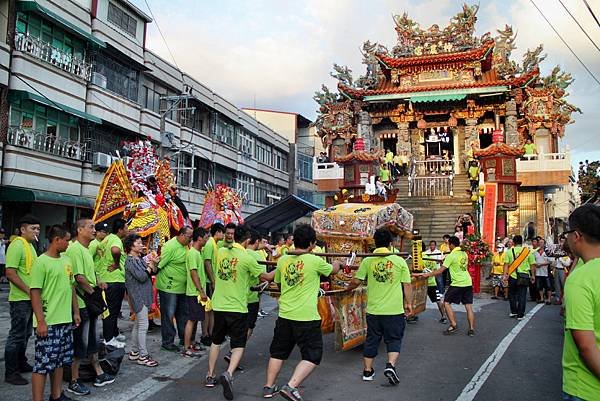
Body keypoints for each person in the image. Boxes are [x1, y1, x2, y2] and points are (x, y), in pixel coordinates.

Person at [263, 224, 342, 401]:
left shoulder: (283, 260)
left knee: (278, 352)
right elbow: (333, 271)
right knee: (313, 355)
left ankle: (268, 387)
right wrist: (337, 262)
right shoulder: (314, 261)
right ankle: (291, 386)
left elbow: (279, 283)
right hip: (306, 317)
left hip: (284, 315)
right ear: (312, 244)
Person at [205, 224, 273, 400]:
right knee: (238, 344)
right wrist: (280, 267)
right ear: (247, 239)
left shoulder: (220, 252)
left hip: (219, 304)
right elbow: (265, 277)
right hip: (237, 307)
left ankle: (210, 376)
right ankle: (228, 373)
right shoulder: (246, 257)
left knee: (216, 341)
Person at [347, 228, 413, 385]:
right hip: (394, 310)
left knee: (372, 340)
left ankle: (367, 372)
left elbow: (357, 281)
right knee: (394, 339)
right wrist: (409, 303)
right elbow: (407, 285)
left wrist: (347, 288)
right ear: (391, 244)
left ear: (374, 243)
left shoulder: (368, 260)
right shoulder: (399, 261)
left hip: (374, 310)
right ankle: (390, 365)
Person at [30, 225, 81, 401]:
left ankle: (56, 395)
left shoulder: (66, 261)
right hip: (48, 321)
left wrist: (75, 311)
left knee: (60, 361)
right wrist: (41, 321)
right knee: (43, 364)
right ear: (57, 240)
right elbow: (35, 292)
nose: (69, 243)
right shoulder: (41, 262)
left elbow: (71, 287)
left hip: (64, 320)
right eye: (67, 240)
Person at [66, 219, 115, 396]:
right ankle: (73, 380)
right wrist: (93, 294)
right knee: (81, 342)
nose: (94, 230)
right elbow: (78, 278)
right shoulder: (74, 249)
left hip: (90, 302)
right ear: (79, 230)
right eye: (91, 227)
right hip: (82, 303)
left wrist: (98, 283)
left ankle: (98, 372)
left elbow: (88, 273)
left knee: (93, 340)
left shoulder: (86, 249)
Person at [562, 204, 600, 400]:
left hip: (585, 386)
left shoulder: (580, 279)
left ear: (577, 236)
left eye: (567, 233)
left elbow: (585, 346)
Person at [4, 214, 40, 385]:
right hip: (20, 299)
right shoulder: (17, 245)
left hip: (29, 298)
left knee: (26, 334)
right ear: (22, 229)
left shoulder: (30, 246)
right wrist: (28, 291)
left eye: (38, 228)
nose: (36, 232)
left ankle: (21, 362)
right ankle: (11, 372)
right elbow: (10, 273)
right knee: (17, 335)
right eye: (33, 228)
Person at [418, 236, 475, 336]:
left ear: (452, 245)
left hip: (458, 283)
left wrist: (427, 274)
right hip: (468, 282)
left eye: (449, 244)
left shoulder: (451, 255)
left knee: (446, 303)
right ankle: (471, 329)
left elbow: (441, 270)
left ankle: (453, 325)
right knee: (468, 306)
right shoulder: (464, 253)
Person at [124, 233, 159, 367]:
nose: (141, 245)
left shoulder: (138, 259)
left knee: (138, 324)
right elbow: (142, 276)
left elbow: (151, 272)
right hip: (138, 296)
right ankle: (143, 355)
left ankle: (134, 351)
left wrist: (153, 264)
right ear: (131, 246)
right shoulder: (131, 260)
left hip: (142, 295)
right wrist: (150, 265)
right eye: (138, 243)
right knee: (143, 325)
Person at [157, 226, 193, 351]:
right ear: (182, 235)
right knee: (168, 315)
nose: (191, 239)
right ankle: (167, 342)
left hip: (182, 288)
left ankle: (185, 338)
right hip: (169, 287)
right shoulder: (170, 246)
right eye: (189, 237)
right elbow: (159, 264)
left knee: (183, 314)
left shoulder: (185, 246)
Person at [96, 219, 128, 347]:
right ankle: (108, 339)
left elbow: (99, 249)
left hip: (107, 278)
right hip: (114, 279)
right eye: (126, 228)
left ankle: (113, 334)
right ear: (120, 230)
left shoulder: (107, 238)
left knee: (112, 310)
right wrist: (116, 263)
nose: (127, 230)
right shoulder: (115, 240)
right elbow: (115, 251)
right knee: (111, 311)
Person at [183, 227, 209, 357]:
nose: (207, 240)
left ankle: (191, 343)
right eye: (205, 238)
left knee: (195, 319)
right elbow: (194, 273)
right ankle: (187, 346)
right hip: (194, 293)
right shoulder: (193, 253)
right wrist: (201, 291)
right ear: (199, 238)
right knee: (191, 320)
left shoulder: (198, 253)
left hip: (197, 293)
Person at [201, 222, 225, 346]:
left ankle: (211, 333)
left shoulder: (215, 244)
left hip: (212, 281)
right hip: (208, 281)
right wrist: (213, 280)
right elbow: (207, 263)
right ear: (218, 232)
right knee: (207, 309)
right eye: (223, 232)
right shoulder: (210, 243)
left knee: (211, 309)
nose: (224, 235)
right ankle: (205, 334)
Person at [503, 235, 537, 320]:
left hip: (512, 276)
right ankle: (520, 315)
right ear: (522, 242)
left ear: (513, 242)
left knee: (512, 294)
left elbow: (506, 265)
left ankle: (513, 311)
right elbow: (532, 264)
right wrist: (533, 275)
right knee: (522, 295)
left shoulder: (509, 251)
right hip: (524, 276)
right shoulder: (527, 251)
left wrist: (505, 275)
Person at [423, 241, 447, 323]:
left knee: (438, 299)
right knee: (438, 300)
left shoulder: (433, 255)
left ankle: (444, 316)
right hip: (425, 282)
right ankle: (444, 316)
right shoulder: (426, 255)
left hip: (427, 282)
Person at [534, 239, 552, 305]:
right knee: (539, 286)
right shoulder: (535, 252)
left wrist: (541, 264)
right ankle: (542, 298)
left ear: (544, 244)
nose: (540, 244)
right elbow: (533, 260)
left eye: (542, 242)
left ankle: (549, 299)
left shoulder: (547, 252)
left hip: (545, 271)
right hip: (538, 272)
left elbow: (550, 261)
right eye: (539, 242)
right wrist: (536, 264)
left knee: (548, 286)